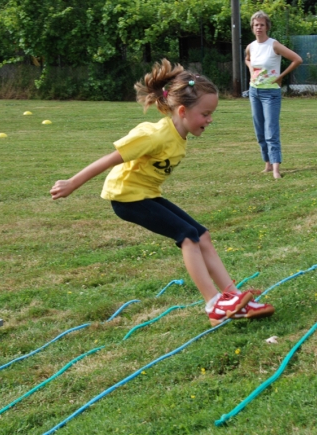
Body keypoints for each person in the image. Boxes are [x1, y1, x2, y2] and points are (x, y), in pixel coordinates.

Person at [50, 59, 274, 326]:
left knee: (202, 235)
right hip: (126, 198)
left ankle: (234, 297)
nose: (210, 120)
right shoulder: (154, 136)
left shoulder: (179, 136)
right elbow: (110, 159)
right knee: (188, 237)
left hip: (145, 194)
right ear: (182, 110)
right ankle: (214, 304)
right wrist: (72, 183)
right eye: (205, 114)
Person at [245, 10, 302, 179]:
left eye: (262, 25)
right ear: (252, 27)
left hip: (271, 93)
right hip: (254, 92)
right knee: (260, 131)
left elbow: (297, 59)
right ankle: (267, 164)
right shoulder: (251, 46)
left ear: (267, 27)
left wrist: (280, 77)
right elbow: (247, 59)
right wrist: (250, 70)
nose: (259, 28)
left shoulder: (273, 45)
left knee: (271, 130)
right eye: (256, 25)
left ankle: (276, 169)